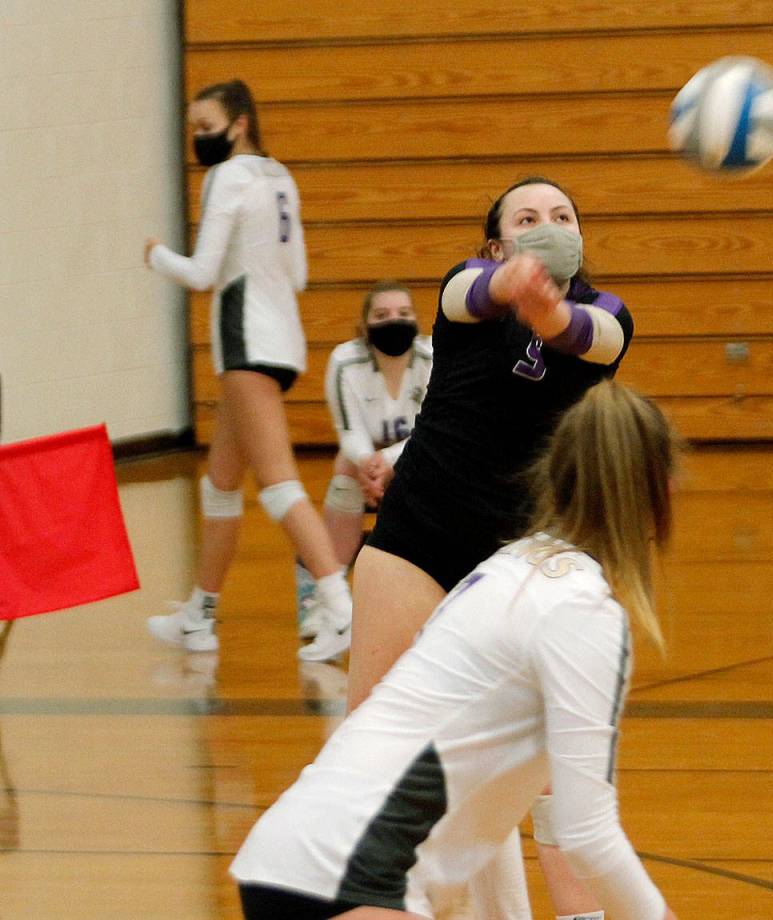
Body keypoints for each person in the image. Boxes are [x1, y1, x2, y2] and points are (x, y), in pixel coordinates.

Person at [297, 176, 634, 917]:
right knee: (370, 758)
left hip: (527, 563)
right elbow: (469, 296)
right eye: (527, 218)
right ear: (495, 243)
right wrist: (510, 287)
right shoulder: (466, 288)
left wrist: (550, 309)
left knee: (545, 774)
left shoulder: (608, 313)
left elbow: (591, 338)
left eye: (562, 216)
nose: (547, 225)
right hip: (421, 539)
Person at [231, 380, 680, 920]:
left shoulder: (505, 569)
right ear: (660, 493)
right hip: (354, 877)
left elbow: (484, 806)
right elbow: (588, 834)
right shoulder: (582, 612)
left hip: (286, 856)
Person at [144, 79, 351, 654]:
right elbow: (300, 274)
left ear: (239, 124)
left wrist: (156, 255)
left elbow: (203, 272)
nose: (199, 140)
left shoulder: (227, 176)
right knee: (220, 485)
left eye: (206, 129)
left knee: (279, 484)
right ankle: (199, 616)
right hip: (281, 338)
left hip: (244, 342)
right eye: (193, 131)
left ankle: (340, 604)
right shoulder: (279, 176)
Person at [295, 282, 432, 637]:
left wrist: (385, 461)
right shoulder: (345, 361)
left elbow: (432, 429)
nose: (394, 321)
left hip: (414, 460)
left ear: (417, 320)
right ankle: (329, 594)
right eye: (382, 315)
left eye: (404, 314)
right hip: (364, 466)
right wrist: (369, 462)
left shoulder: (434, 358)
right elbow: (349, 432)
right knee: (344, 465)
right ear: (365, 325)